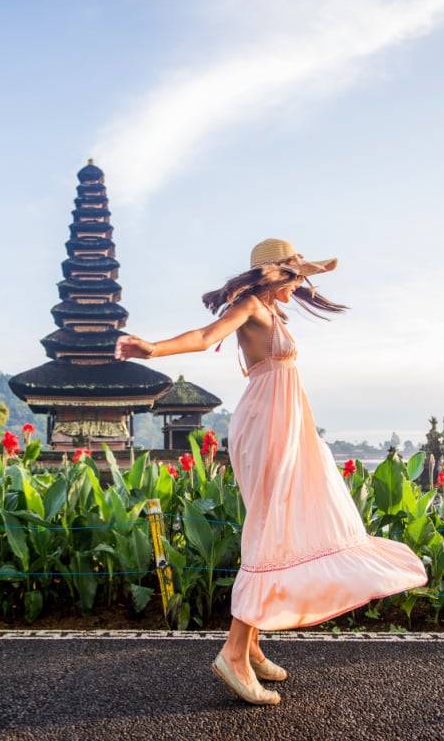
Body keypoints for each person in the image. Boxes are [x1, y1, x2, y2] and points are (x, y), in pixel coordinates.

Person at [115, 238, 427, 706]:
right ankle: (233, 656)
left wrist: (303, 268)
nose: (299, 285)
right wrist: (152, 349)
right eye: (293, 276)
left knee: (277, 527)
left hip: (289, 423)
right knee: (270, 529)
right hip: (267, 425)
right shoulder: (249, 306)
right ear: (273, 274)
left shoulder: (274, 311)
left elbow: (294, 287)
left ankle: (253, 646)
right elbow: (205, 337)